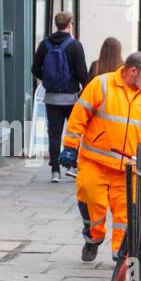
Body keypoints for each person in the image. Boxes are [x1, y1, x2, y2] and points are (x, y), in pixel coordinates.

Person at [59, 52, 141, 281]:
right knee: (89, 197)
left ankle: (121, 256)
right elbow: (79, 116)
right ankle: (93, 236)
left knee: (126, 215)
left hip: (129, 169)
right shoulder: (102, 84)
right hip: (95, 161)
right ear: (132, 71)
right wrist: (70, 146)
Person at [32, 11, 89, 183]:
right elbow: (82, 74)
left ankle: (55, 171)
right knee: (73, 133)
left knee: (54, 134)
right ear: (70, 24)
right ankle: (72, 166)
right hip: (71, 97)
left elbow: (35, 69)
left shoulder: (44, 45)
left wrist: (50, 80)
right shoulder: (75, 46)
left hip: (51, 98)